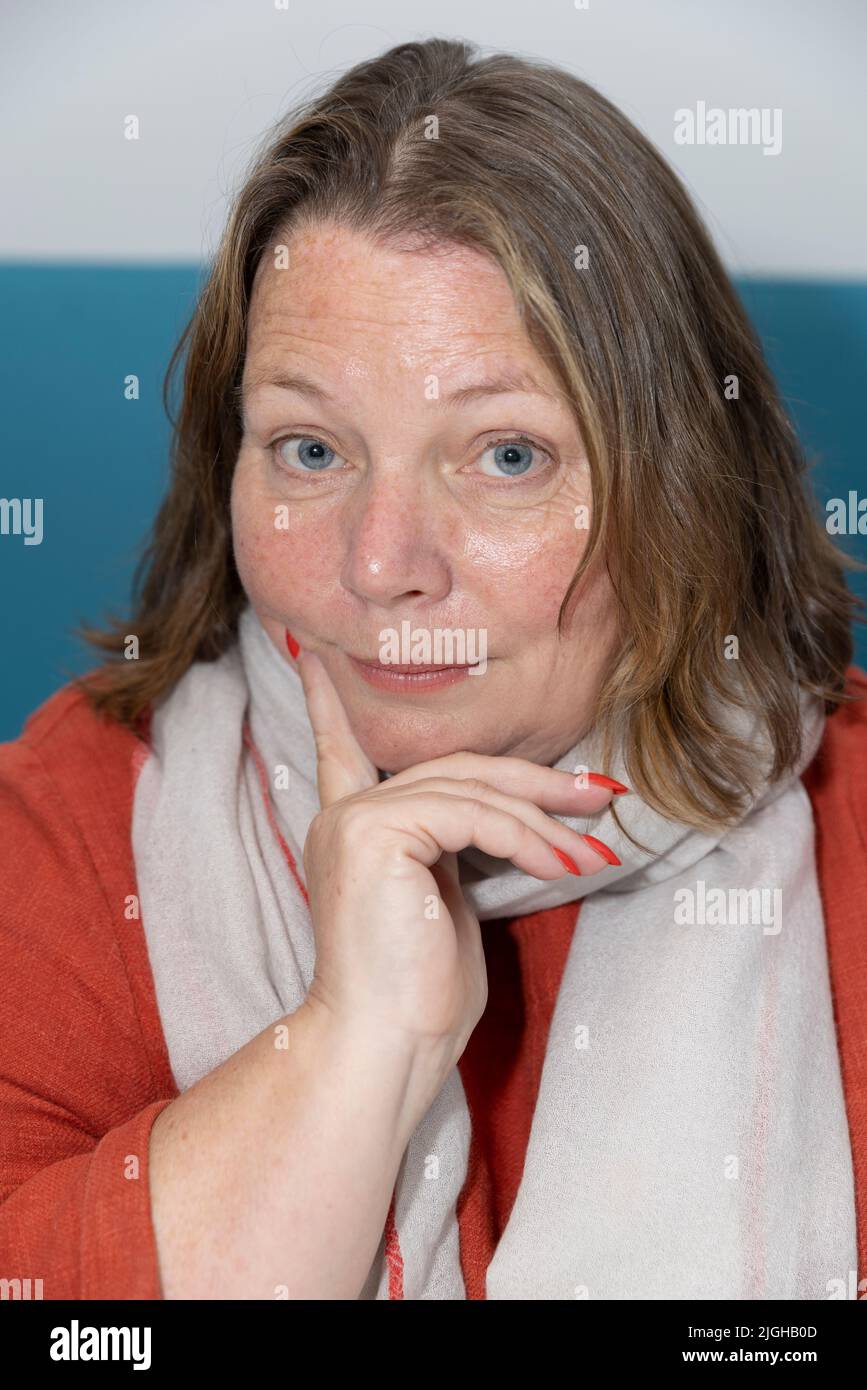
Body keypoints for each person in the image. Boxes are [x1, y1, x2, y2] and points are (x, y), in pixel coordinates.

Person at [1, 37, 866, 1301]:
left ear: (681, 484)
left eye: (505, 456)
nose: (381, 563)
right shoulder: (74, 814)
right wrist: (350, 1046)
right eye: (309, 449)